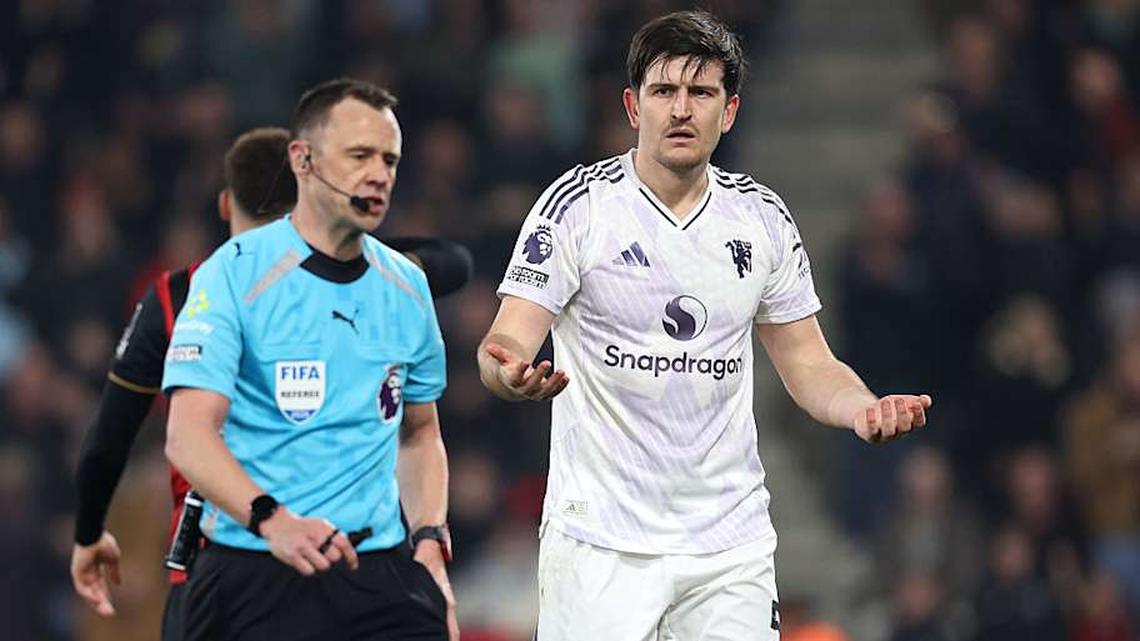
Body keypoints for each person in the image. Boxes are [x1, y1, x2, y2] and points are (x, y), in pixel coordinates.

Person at [477, 11, 932, 641]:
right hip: (601, 541)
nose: (681, 110)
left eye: (701, 93)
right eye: (664, 91)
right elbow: (506, 343)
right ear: (634, 107)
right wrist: (510, 376)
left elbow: (808, 363)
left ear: (731, 110)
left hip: (727, 543)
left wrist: (861, 408)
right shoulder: (579, 208)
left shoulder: (761, 219)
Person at [72, 124, 468, 639]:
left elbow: (108, 437)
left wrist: (88, 532)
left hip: (221, 567)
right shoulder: (371, 280)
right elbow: (453, 263)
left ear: (223, 205)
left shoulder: (177, 297)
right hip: (354, 561)